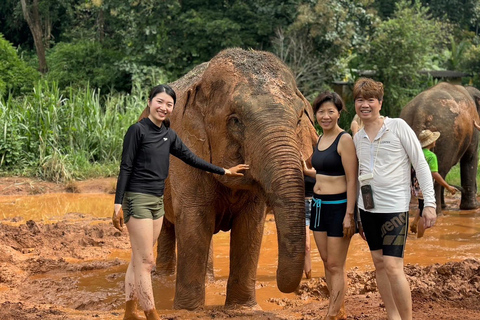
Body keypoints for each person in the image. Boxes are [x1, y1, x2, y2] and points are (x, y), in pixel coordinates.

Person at [112, 84, 249, 320]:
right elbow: (126, 167)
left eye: (169, 104)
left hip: (157, 202)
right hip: (137, 199)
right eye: (159, 102)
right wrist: (117, 203)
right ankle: (151, 313)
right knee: (147, 262)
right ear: (149, 102)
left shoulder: (169, 134)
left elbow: (192, 159)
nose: (163, 108)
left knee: (137, 259)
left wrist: (224, 171)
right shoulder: (137, 131)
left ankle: (129, 311)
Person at [353, 78, 436, 320]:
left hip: (394, 208)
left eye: (370, 100)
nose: (365, 105)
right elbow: (360, 176)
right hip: (367, 209)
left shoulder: (398, 127)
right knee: (379, 263)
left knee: (392, 265)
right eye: (360, 100)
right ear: (355, 104)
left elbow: (420, 164)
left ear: (380, 102)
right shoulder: (357, 138)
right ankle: (392, 315)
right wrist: (357, 215)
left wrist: (429, 204)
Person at [303, 91, 357, 320]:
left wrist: (350, 214)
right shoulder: (320, 138)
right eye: (321, 112)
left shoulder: (344, 140)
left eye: (330, 112)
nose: (325, 116)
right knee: (326, 261)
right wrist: (306, 171)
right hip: (318, 206)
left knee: (336, 264)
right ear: (316, 114)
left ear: (338, 113)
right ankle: (338, 309)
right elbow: (323, 172)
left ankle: (332, 314)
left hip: (338, 206)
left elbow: (352, 178)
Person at [410, 130, 457, 238]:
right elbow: (435, 174)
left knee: (421, 205)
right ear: (431, 142)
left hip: (415, 184)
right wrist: (447, 186)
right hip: (424, 185)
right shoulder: (431, 156)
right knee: (424, 213)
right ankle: (420, 238)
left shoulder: (416, 154)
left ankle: (414, 223)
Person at [304, 175, 316, 279]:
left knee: (326, 245)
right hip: (302, 207)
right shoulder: (296, 165)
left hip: (318, 205)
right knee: (306, 246)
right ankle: (309, 279)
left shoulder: (319, 164)